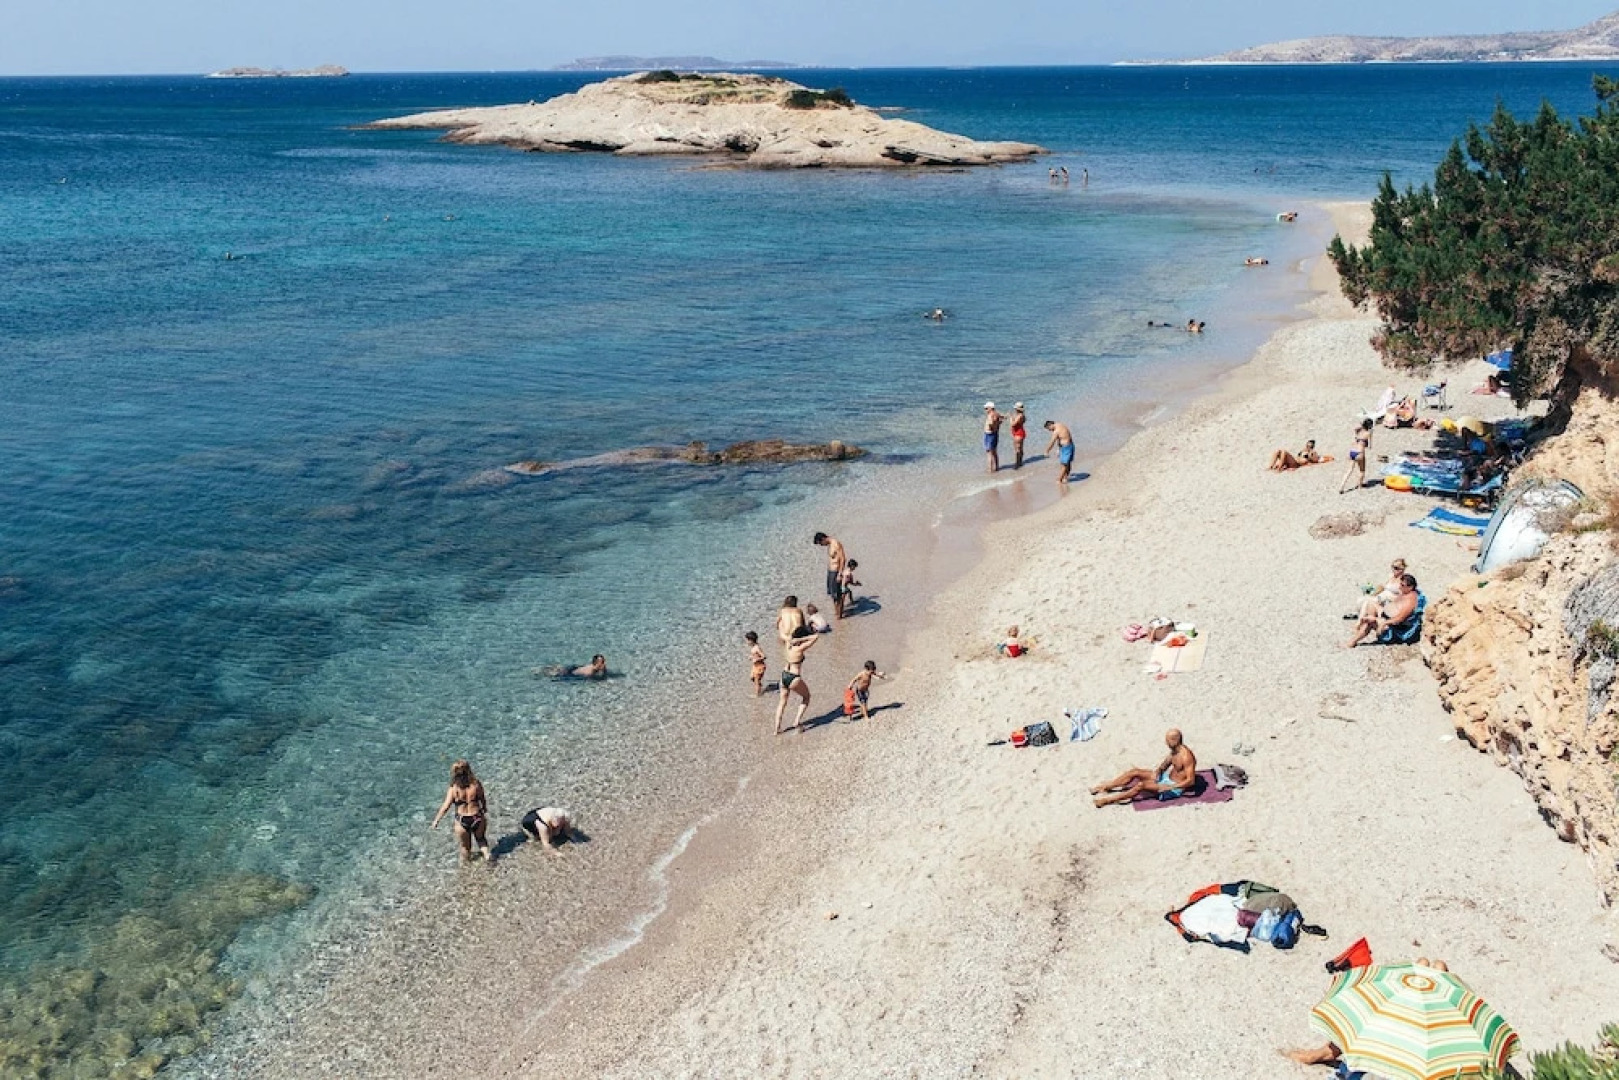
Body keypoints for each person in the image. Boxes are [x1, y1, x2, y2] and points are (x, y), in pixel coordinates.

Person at [1285, 959, 1450, 1075]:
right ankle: (1322, 1053)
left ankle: (1322, 1054)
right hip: (1406, 1044)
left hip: (1400, 1054)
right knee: (1429, 966)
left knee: (1429, 968)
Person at [1091, 729, 1197, 808]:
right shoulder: (1175, 750)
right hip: (1165, 777)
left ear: (1175, 741)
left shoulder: (1187, 757)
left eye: (1167, 741)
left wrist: (1170, 787)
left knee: (1141, 785)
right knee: (1135, 772)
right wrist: (1159, 771)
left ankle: (1107, 800)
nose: (1166, 743)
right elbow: (1167, 763)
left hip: (1173, 788)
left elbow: (1191, 781)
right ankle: (1106, 786)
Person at [431, 760, 491, 862]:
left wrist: (436, 820)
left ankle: (465, 872)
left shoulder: (454, 789)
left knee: (465, 848)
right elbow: (482, 798)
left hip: (462, 820)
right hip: (477, 817)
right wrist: (484, 808)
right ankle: (488, 856)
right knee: (481, 840)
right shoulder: (476, 784)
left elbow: (446, 806)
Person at [1346, 573, 1419, 648]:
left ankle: (1353, 641)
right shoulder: (1405, 593)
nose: (1400, 587)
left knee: (1370, 622)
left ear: (1410, 587)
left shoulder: (1410, 601)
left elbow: (1400, 619)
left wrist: (1383, 624)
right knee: (1370, 603)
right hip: (1386, 616)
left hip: (1394, 627)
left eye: (1403, 585)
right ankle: (1366, 624)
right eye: (1400, 584)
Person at [775, 626, 820, 735]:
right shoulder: (800, 648)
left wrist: (792, 638)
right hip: (794, 677)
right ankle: (796, 721)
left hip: (784, 675)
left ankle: (776, 729)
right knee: (806, 697)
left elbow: (781, 633)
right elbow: (816, 637)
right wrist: (801, 640)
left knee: (782, 703)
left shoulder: (787, 644)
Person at [813, 532, 847, 616]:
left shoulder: (836, 544)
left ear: (823, 539)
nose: (821, 545)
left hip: (835, 572)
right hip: (831, 571)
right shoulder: (830, 544)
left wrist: (840, 573)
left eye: (820, 543)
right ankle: (837, 613)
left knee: (836, 595)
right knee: (832, 594)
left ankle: (839, 615)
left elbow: (843, 559)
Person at [1338, 419, 1374, 494]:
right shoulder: (1368, 433)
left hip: (1352, 452)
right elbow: (1370, 446)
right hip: (1360, 453)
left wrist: (1361, 425)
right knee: (1362, 470)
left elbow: (1355, 428)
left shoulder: (1358, 431)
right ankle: (1359, 485)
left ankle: (1342, 486)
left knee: (1349, 470)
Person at [1043, 420, 1075, 485]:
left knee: (1064, 464)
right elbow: (1061, 437)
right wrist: (1059, 449)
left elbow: (1052, 442)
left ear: (1050, 425)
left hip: (1066, 447)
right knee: (1067, 463)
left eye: (1049, 429)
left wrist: (1047, 451)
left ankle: (1059, 479)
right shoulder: (1060, 425)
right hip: (1070, 445)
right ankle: (1065, 477)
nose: (1050, 431)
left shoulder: (1056, 431)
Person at [745, 631, 767, 696]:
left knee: (756, 681)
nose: (746, 642)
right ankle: (759, 685)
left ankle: (757, 695)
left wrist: (756, 659)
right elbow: (755, 655)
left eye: (747, 640)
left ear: (751, 640)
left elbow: (764, 656)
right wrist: (751, 657)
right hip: (755, 666)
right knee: (752, 678)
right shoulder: (753, 647)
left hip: (760, 666)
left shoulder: (757, 648)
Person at [983, 402, 1003, 473]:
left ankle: (990, 469)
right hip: (994, 434)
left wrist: (993, 426)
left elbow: (991, 423)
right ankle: (996, 467)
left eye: (986, 408)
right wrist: (998, 424)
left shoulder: (990, 415)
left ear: (990, 408)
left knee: (989, 452)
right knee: (994, 451)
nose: (985, 410)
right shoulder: (997, 414)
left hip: (989, 434)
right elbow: (1002, 418)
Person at [1009, 403, 1028, 468]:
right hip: (1020, 432)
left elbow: (1013, 424)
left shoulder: (1019, 416)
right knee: (1020, 448)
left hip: (1018, 433)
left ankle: (1017, 464)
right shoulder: (1022, 415)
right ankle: (1020, 462)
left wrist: (1011, 418)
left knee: (1017, 449)